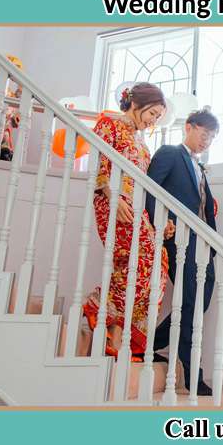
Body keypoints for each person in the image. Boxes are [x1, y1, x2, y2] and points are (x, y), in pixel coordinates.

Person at [82, 82, 173, 361]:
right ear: (136, 104)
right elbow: (97, 162)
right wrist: (112, 195)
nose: (153, 121)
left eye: (158, 117)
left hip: (136, 209)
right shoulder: (109, 124)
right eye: (152, 114)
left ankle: (119, 331)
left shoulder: (141, 141)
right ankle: (102, 313)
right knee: (139, 261)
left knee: (153, 265)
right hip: (113, 203)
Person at [146, 108, 219, 396]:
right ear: (189, 127)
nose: (207, 141)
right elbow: (150, 189)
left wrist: (212, 245)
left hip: (203, 247)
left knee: (195, 306)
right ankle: (193, 375)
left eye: (212, 138)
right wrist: (161, 223)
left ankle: (151, 342)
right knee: (190, 303)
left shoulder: (199, 167)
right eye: (204, 134)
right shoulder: (170, 153)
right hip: (179, 242)